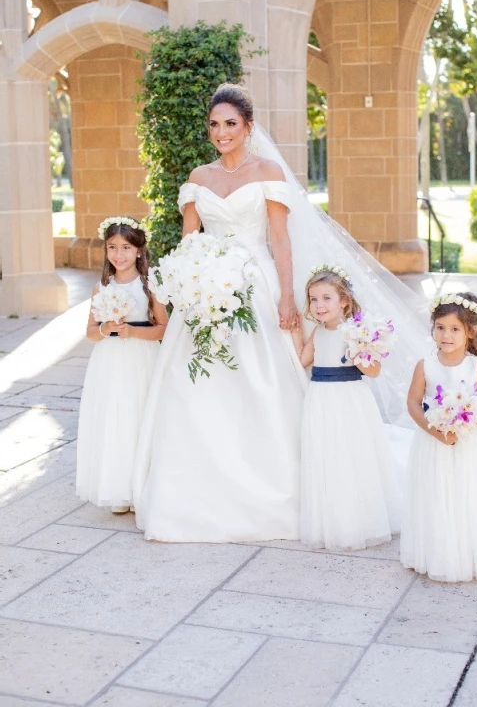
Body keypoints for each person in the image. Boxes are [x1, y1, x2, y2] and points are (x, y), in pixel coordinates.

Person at [133, 82, 433, 543]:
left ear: (248, 126)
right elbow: (190, 241)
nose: (221, 132)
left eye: (230, 123)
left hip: (258, 286)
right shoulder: (197, 178)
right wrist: (186, 282)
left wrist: (288, 299)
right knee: (197, 384)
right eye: (214, 124)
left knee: (268, 378)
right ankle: (194, 493)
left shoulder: (268, 171)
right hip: (204, 293)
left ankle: (281, 489)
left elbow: (280, 239)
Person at [400, 292, 477, 582]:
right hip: (433, 441)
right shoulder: (425, 365)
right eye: (440, 327)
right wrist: (433, 429)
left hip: (469, 444)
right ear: (432, 328)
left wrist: (468, 426)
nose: (446, 335)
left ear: (470, 331)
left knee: (467, 494)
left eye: (454, 329)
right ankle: (436, 550)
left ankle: (470, 550)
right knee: (436, 493)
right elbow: (413, 402)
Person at [291, 267, 400, 551]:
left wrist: (357, 350)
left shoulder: (354, 331)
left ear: (344, 302)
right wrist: (292, 332)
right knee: (326, 454)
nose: (319, 305)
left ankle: (360, 519)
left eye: (326, 298)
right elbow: (303, 359)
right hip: (320, 399)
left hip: (350, 399)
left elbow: (373, 371)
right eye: (313, 300)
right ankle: (333, 517)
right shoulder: (318, 331)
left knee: (351, 452)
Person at [76, 217, 167, 513]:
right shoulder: (101, 287)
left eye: (126, 247)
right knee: (115, 420)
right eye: (112, 247)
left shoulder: (149, 285)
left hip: (141, 357)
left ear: (139, 250)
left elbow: (164, 328)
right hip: (110, 362)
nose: (119, 254)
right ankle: (119, 489)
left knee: (139, 417)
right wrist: (107, 329)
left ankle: (141, 487)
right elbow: (90, 332)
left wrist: (133, 331)